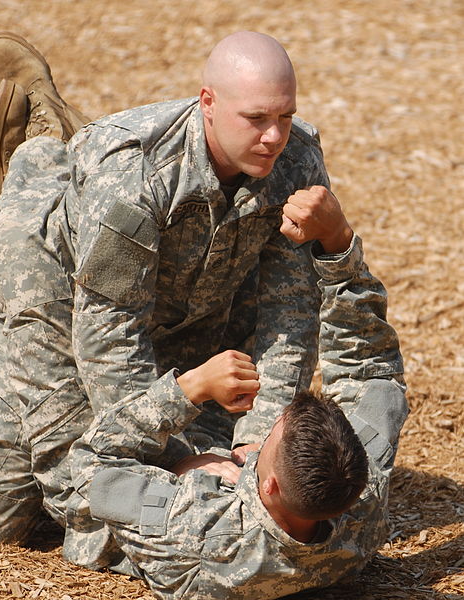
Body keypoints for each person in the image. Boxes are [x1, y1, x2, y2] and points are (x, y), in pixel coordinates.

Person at [0, 30, 406, 586]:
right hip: (59, 292)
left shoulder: (294, 157)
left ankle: (62, 167)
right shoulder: (131, 176)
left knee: (20, 516)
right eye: (256, 118)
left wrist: (250, 438)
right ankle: (44, 152)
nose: (276, 136)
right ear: (207, 103)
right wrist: (180, 454)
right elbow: (107, 334)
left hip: (185, 302)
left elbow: (288, 311)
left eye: (286, 116)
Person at [65, 230, 407, 599]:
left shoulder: (195, 527)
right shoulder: (361, 511)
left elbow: (92, 467)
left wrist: (189, 391)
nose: (261, 439)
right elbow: (375, 375)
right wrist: (338, 248)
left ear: (269, 486)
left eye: (269, 439)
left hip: (118, 456)